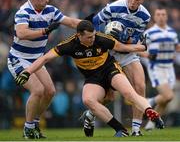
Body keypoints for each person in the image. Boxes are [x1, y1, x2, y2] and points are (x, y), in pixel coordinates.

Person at [15, 20, 164, 137]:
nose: (93, 39)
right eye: (89, 37)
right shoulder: (69, 45)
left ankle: (152, 114)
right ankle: (120, 129)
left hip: (110, 70)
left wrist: (142, 48)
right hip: (93, 78)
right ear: (79, 36)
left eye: (93, 36)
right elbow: (45, 58)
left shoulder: (100, 38)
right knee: (88, 100)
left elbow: (122, 47)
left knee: (129, 93)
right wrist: (27, 71)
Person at [7, 0, 81, 139]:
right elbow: (21, 33)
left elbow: (72, 22)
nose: (48, 0)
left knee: (50, 92)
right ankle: (28, 129)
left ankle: (33, 123)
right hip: (19, 59)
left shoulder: (51, 11)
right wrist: (45, 31)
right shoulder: (23, 11)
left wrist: (89, 25)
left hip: (37, 59)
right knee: (38, 90)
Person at [82, 0, 151, 136]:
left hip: (126, 52)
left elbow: (134, 40)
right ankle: (91, 114)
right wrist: (106, 36)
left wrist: (122, 38)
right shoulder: (113, 7)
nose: (133, 2)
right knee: (108, 97)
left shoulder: (145, 16)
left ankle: (135, 130)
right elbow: (92, 24)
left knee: (140, 86)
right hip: (108, 54)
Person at [138, 8, 180, 130]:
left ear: (166, 17)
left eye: (163, 14)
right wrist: (147, 55)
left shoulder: (172, 32)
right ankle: (149, 101)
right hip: (156, 67)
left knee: (165, 100)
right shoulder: (149, 33)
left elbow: (176, 48)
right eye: (158, 14)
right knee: (168, 96)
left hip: (169, 68)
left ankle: (151, 125)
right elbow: (139, 49)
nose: (161, 16)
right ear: (155, 17)